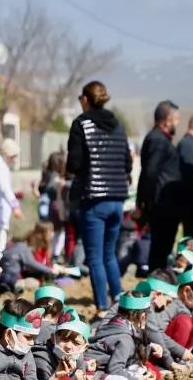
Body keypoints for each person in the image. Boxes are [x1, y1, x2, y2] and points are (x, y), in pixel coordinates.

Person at [66, 81, 133, 313]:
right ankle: (119, 298)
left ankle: (103, 307)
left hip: (94, 199)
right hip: (117, 199)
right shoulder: (118, 125)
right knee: (109, 254)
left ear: (85, 99)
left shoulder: (81, 124)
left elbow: (74, 163)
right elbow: (128, 161)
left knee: (94, 257)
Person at [138, 100, 184, 273]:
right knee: (160, 251)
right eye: (176, 119)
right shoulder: (158, 140)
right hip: (162, 206)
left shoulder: (160, 139)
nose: (177, 123)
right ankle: (157, 283)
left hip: (164, 205)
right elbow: (150, 174)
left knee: (162, 250)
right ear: (167, 120)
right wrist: (144, 203)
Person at [0, 138, 23, 262]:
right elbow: (4, 188)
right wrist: (15, 205)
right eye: (14, 156)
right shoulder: (0, 166)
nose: (14, 160)